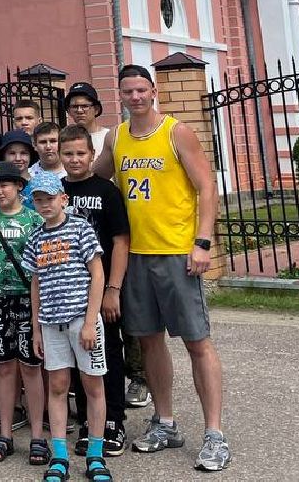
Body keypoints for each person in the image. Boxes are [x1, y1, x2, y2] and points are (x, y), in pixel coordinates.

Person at [97, 64, 230, 471]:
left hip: (177, 253)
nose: (135, 97)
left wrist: (202, 243)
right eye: (127, 91)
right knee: (150, 340)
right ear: (119, 95)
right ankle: (165, 421)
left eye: (141, 90)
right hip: (135, 254)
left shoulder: (176, 132)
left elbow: (207, 187)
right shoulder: (116, 137)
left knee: (196, 340)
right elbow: (91, 175)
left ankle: (214, 434)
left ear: (153, 91)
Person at [23, 173, 109, 482]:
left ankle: (96, 455)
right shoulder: (35, 238)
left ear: (64, 198)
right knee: (58, 386)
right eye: (38, 199)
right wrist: (35, 329)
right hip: (51, 322)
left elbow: (97, 274)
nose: (44, 204)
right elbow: (35, 284)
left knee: (93, 386)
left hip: (82, 322)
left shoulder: (81, 228)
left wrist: (90, 322)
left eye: (49, 197)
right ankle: (59, 456)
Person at [58, 122, 131, 457]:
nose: (74, 160)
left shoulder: (107, 191)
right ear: (60, 156)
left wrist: (113, 289)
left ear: (92, 155)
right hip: (67, 292)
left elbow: (120, 240)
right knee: (77, 358)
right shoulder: (56, 192)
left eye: (80, 153)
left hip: (102, 291)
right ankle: (89, 422)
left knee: (108, 356)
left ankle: (113, 420)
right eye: (68, 153)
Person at [0, 161, 47, 467]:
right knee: (3, 366)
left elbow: (43, 268)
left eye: (4, 184)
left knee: (31, 368)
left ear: (18, 187)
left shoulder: (35, 220)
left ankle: (39, 435)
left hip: (28, 302)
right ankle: (4, 434)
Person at [0, 130, 36, 212]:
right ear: (3, 156)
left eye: (24, 153)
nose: (18, 158)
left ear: (30, 156)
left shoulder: (39, 185)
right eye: (12, 153)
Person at [30, 120, 66, 195]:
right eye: (43, 142)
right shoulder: (29, 176)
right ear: (34, 145)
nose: (48, 147)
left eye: (53, 141)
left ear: (61, 143)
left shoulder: (71, 173)